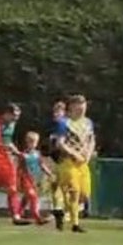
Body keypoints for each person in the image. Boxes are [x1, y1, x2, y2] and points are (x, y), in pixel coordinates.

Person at [55, 94, 95, 233]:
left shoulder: (88, 122)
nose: (82, 109)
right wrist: (74, 153)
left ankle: (61, 212)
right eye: (79, 107)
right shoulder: (64, 123)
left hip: (83, 163)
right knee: (74, 191)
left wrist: (89, 153)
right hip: (68, 162)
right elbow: (60, 143)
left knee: (85, 194)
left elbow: (91, 140)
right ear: (72, 107)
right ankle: (75, 224)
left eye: (84, 106)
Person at [17, 131, 51, 226]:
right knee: (33, 197)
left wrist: (49, 173)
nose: (33, 144)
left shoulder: (37, 154)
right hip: (25, 178)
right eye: (31, 141)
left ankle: (18, 213)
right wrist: (18, 180)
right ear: (27, 142)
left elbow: (41, 165)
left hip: (34, 179)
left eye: (35, 142)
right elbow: (19, 168)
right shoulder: (23, 155)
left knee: (26, 198)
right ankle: (37, 218)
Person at [48, 100, 68, 230]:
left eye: (58, 111)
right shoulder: (53, 126)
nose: (55, 114)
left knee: (64, 187)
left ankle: (65, 212)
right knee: (55, 186)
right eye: (54, 111)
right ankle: (57, 211)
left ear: (63, 112)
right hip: (55, 159)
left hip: (63, 160)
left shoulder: (65, 125)